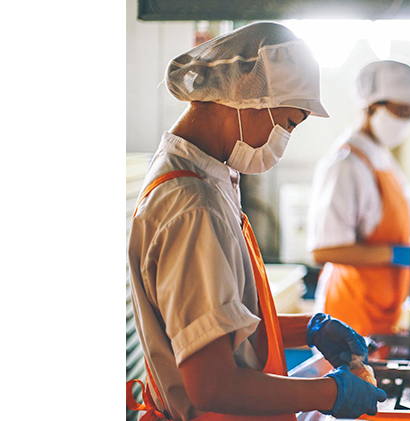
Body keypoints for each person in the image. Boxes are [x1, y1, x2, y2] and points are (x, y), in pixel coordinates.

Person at [126, 22, 386, 421]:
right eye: (289, 121)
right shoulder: (192, 203)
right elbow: (212, 385)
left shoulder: (206, 177)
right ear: (247, 97)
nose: (285, 137)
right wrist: (328, 393)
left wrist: (308, 328)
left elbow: (224, 329)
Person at [307, 60, 410, 337]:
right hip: (349, 317)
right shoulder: (345, 165)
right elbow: (324, 251)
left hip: (379, 314)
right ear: (372, 106)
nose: (405, 121)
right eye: (401, 111)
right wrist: (396, 254)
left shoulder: (381, 158)